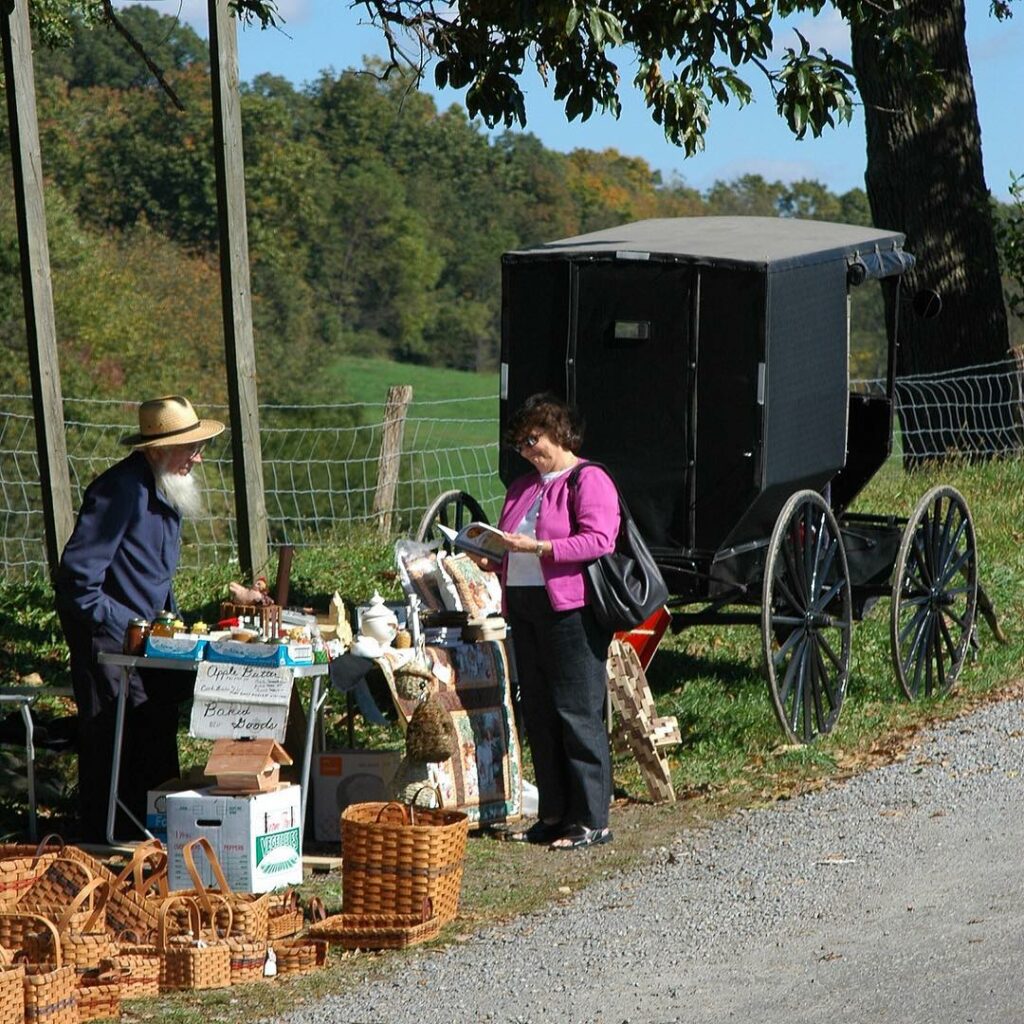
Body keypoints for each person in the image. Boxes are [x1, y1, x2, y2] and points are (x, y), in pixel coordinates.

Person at [55, 395, 224, 841]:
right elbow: (77, 581)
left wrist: (173, 626)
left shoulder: (164, 484)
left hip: (146, 647)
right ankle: (103, 846)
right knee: (114, 747)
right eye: (189, 446)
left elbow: (152, 576)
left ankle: (153, 844)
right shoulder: (120, 490)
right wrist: (126, 628)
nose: (197, 455)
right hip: (109, 649)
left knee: (156, 736)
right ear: (157, 448)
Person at [490, 393, 621, 850]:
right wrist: (492, 554)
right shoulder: (523, 486)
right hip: (524, 606)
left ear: (558, 432)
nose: (528, 451)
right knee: (541, 712)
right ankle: (553, 814)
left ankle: (590, 819)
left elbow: (600, 539)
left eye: (533, 440)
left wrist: (541, 550)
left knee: (576, 711)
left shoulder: (590, 479)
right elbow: (510, 541)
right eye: (521, 445)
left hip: (570, 608)